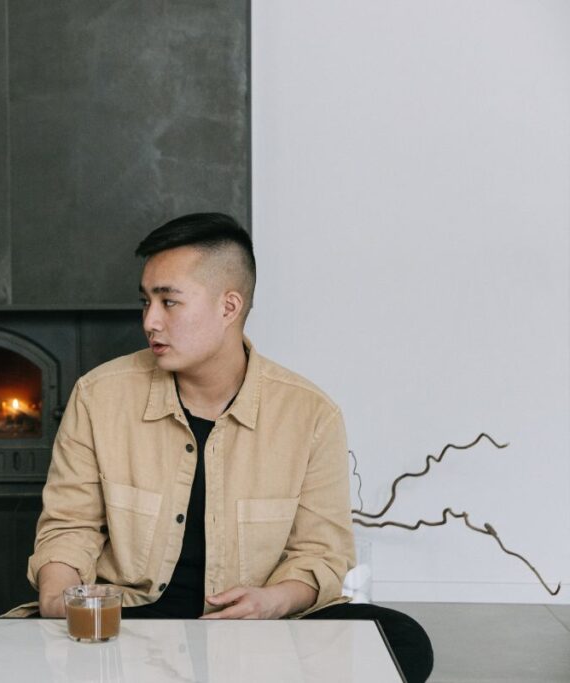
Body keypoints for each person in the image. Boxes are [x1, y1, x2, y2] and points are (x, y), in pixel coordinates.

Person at [27, 213, 433, 682]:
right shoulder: (99, 396)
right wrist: (58, 597)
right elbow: (70, 524)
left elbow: (320, 553)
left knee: (398, 640)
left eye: (169, 302)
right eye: (146, 302)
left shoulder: (311, 414)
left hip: (253, 631)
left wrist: (273, 600)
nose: (149, 321)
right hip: (132, 622)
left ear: (229, 306)